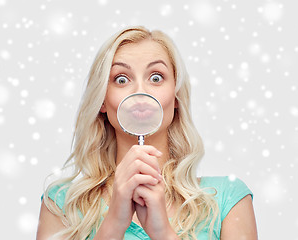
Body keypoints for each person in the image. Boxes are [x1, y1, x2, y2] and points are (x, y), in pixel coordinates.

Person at [37, 26, 258, 240]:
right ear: (102, 101)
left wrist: (163, 233)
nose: (140, 91)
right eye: (121, 79)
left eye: (156, 77)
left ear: (176, 96)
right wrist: (113, 224)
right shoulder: (62, 203)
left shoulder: (228, 200)